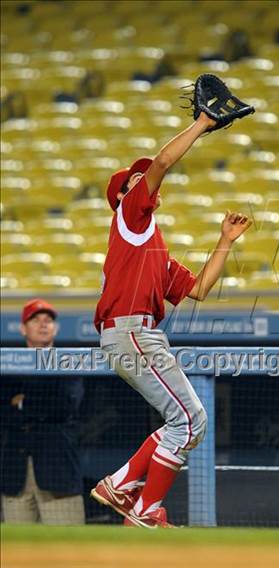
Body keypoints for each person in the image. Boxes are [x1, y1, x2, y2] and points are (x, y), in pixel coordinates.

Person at [90, 111, 252, 528]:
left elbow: (198, 290)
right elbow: (161, 163)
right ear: (125, 195)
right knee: (191, 419)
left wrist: (224, 242)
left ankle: (124, 485)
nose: (145, 180)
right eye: (135, 179)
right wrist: (202, 123)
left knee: (186, 422)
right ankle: (142, 507)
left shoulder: (152, 247)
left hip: (132, 334)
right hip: (132, 331)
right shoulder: (130, 216)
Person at [1, 299, 85, 525]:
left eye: (48, 320)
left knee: (69, 553)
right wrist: (42, 403)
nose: (43, 324)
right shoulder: (7, 364)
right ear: (22, 328)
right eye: (35, 320)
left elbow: (63, 407)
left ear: (56, 328)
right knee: (16, 555)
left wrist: (20, 404)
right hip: (15, 476)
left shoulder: (68, 362)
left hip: (57, 472)